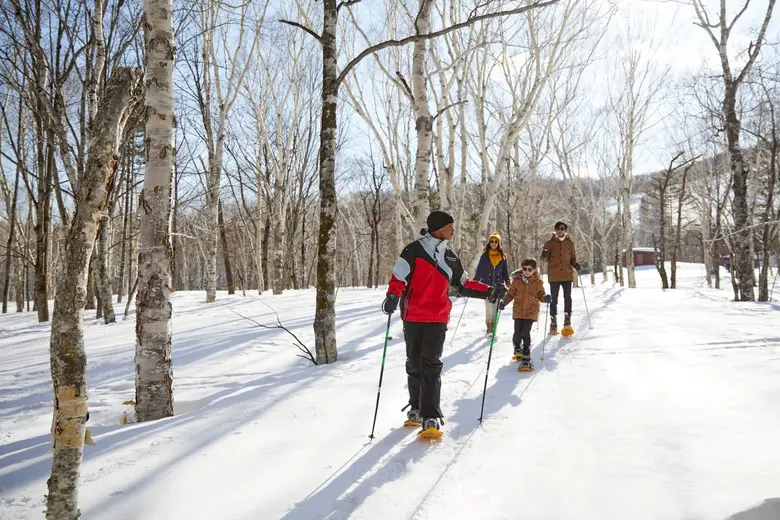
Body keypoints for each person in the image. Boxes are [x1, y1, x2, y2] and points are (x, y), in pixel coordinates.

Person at [382, 210, 506, 438]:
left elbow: (464, 284)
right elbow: (398, 278)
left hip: (437, 318)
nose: (453, 229)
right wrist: (392, 296)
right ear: (438, 227)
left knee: (431, 364)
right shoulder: (414, 251)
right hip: (413, 317)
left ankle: (430, 415)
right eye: (450, 226)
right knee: (414, 364)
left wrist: (490, 291)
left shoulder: (449, 257)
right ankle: (416, 408)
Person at [500, 259, 550, 372]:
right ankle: (517, 347)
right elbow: (511, 293)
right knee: (517, 333)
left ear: (534, 270)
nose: (527, 271)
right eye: (524, 269)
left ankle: (526, 356)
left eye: (530, 269)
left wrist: (545, 298)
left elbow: (541, 295)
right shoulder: (516, 281)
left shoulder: (538, 282)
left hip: (531, 311)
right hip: (518, 311)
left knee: (525, 332)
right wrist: (504, 302)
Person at [540, 221, 580, 335]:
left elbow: (573, 259)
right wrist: (543, 256)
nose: (560, 230)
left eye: (562, 228)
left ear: (565, 230)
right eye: (558, 228)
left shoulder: (570, 244)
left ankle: (567, 320)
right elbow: (544, 258)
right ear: (555, 230)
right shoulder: (549, 243)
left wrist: (576, 264)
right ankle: (553, 322)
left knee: (568, 298)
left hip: (567, 275)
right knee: (554, 299)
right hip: (554, 276)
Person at [474, 233, 511, 334]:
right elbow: (480, 270)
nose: (494, 243)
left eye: (496, 241)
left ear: (499, 243)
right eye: (492, 241)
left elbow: (505, 271)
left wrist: (507, 281)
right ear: (489, 243)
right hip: (487, 285)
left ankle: (494, 327)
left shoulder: (503, 257)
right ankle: (489, 326)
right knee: (488, 307)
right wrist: (475, 282)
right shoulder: (484, 256)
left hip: (498, 285)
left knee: (495, 307)